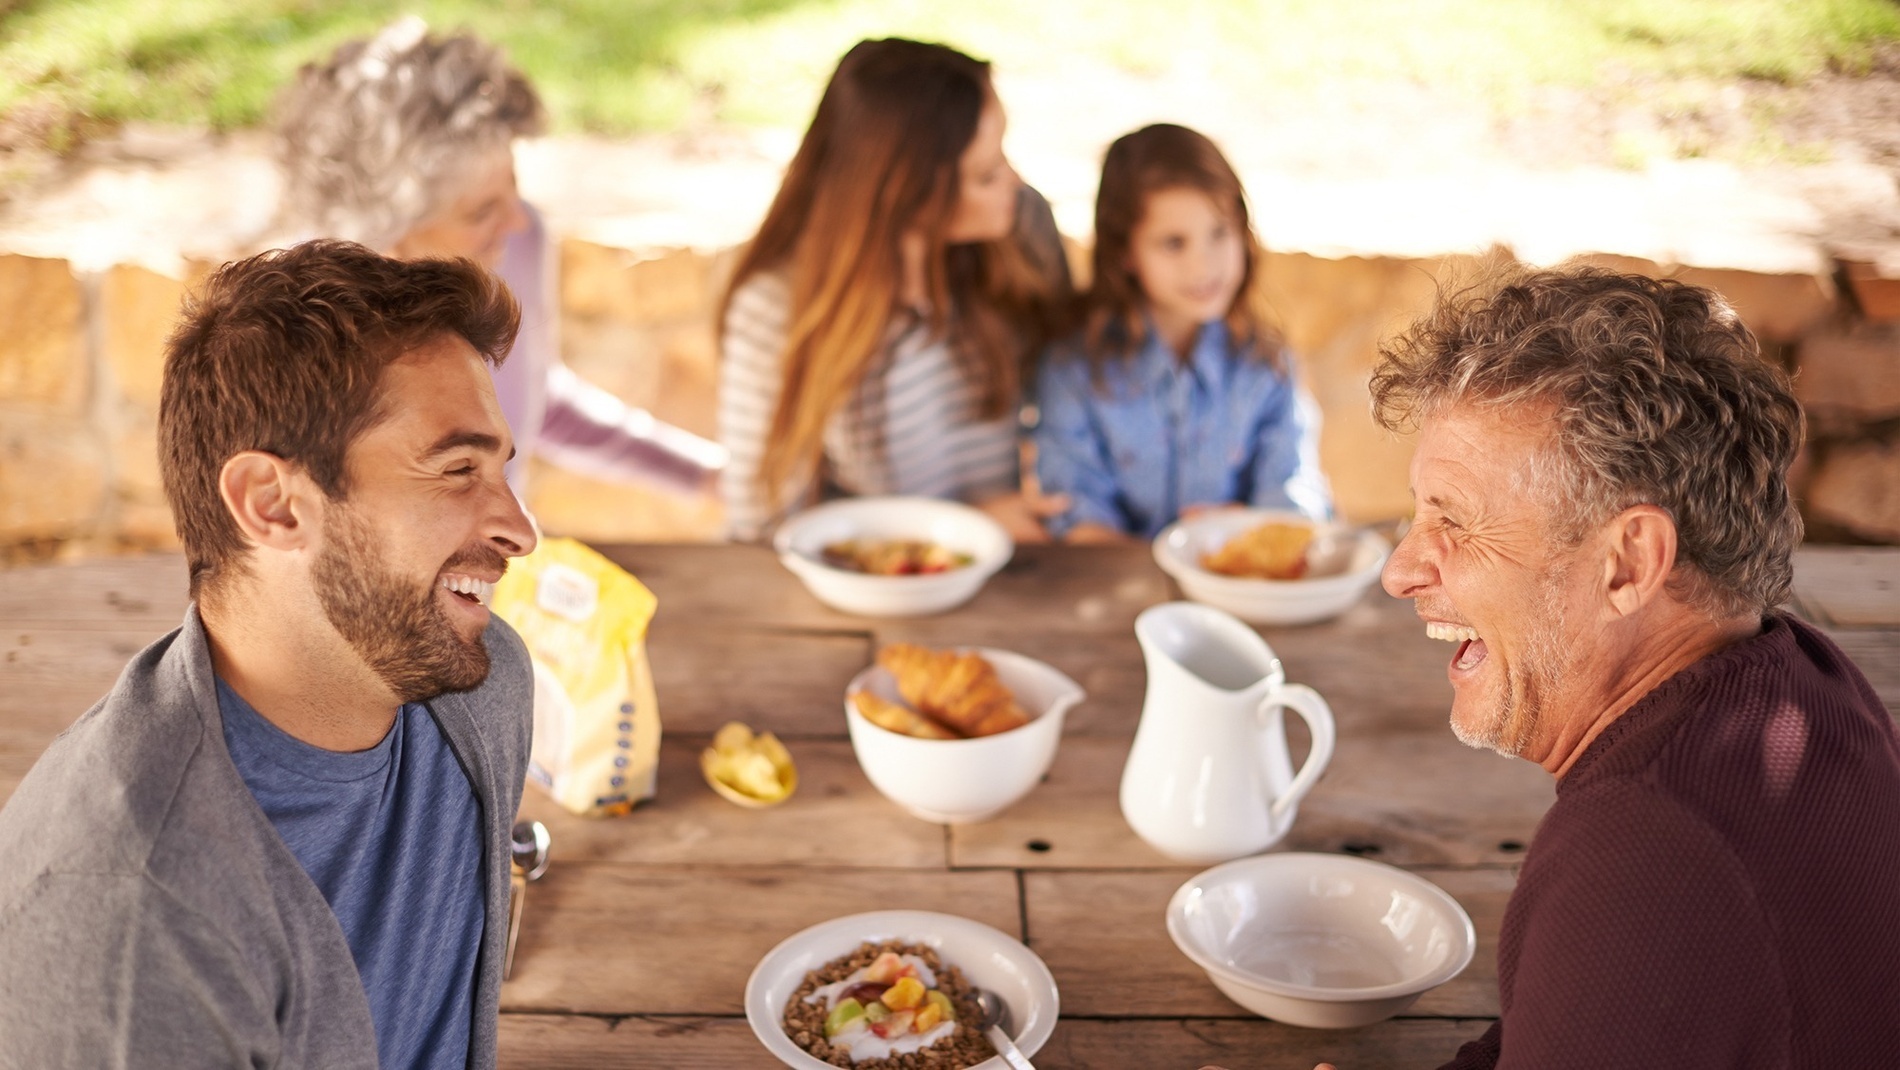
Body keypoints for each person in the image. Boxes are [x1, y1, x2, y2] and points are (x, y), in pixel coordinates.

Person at [1315, 266, 1900, 1069]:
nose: (1401, 570)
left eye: (1455, 522)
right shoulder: (1808, 677)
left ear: (1628, 564)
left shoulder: (1647, 860)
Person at [0, 240, 539, 1068]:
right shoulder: (131, 908)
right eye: (456, 469)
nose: (519, 529)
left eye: (502, 467)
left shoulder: (480, 688)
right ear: (273, 506)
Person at [275, 17, 725, 502]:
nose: (516, 220)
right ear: (386, 235)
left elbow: (530, 402)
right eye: (481, 210)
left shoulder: (519, 244)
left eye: (515, 188)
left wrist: (706, 475)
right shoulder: (304, 319)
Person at [717, 37, 1072, 542]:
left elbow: (1079, 388)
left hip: (1025, 565)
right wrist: (960, 533)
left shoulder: (1022, 231)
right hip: (875, 591)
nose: (1013, 183)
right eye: (986, 174)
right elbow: (764, 526)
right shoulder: (775, 308)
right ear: (909, 194)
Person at [1034, 123, 1331, 541]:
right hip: (1116, 593)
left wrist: (1246, 531)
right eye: (1174, 243)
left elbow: (1294, 491)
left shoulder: (1266, 365)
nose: (1203, 266)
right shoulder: (1074, 370)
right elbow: (1076, 508)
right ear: (1125, 253)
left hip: (1239, 589)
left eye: (1219, 232)